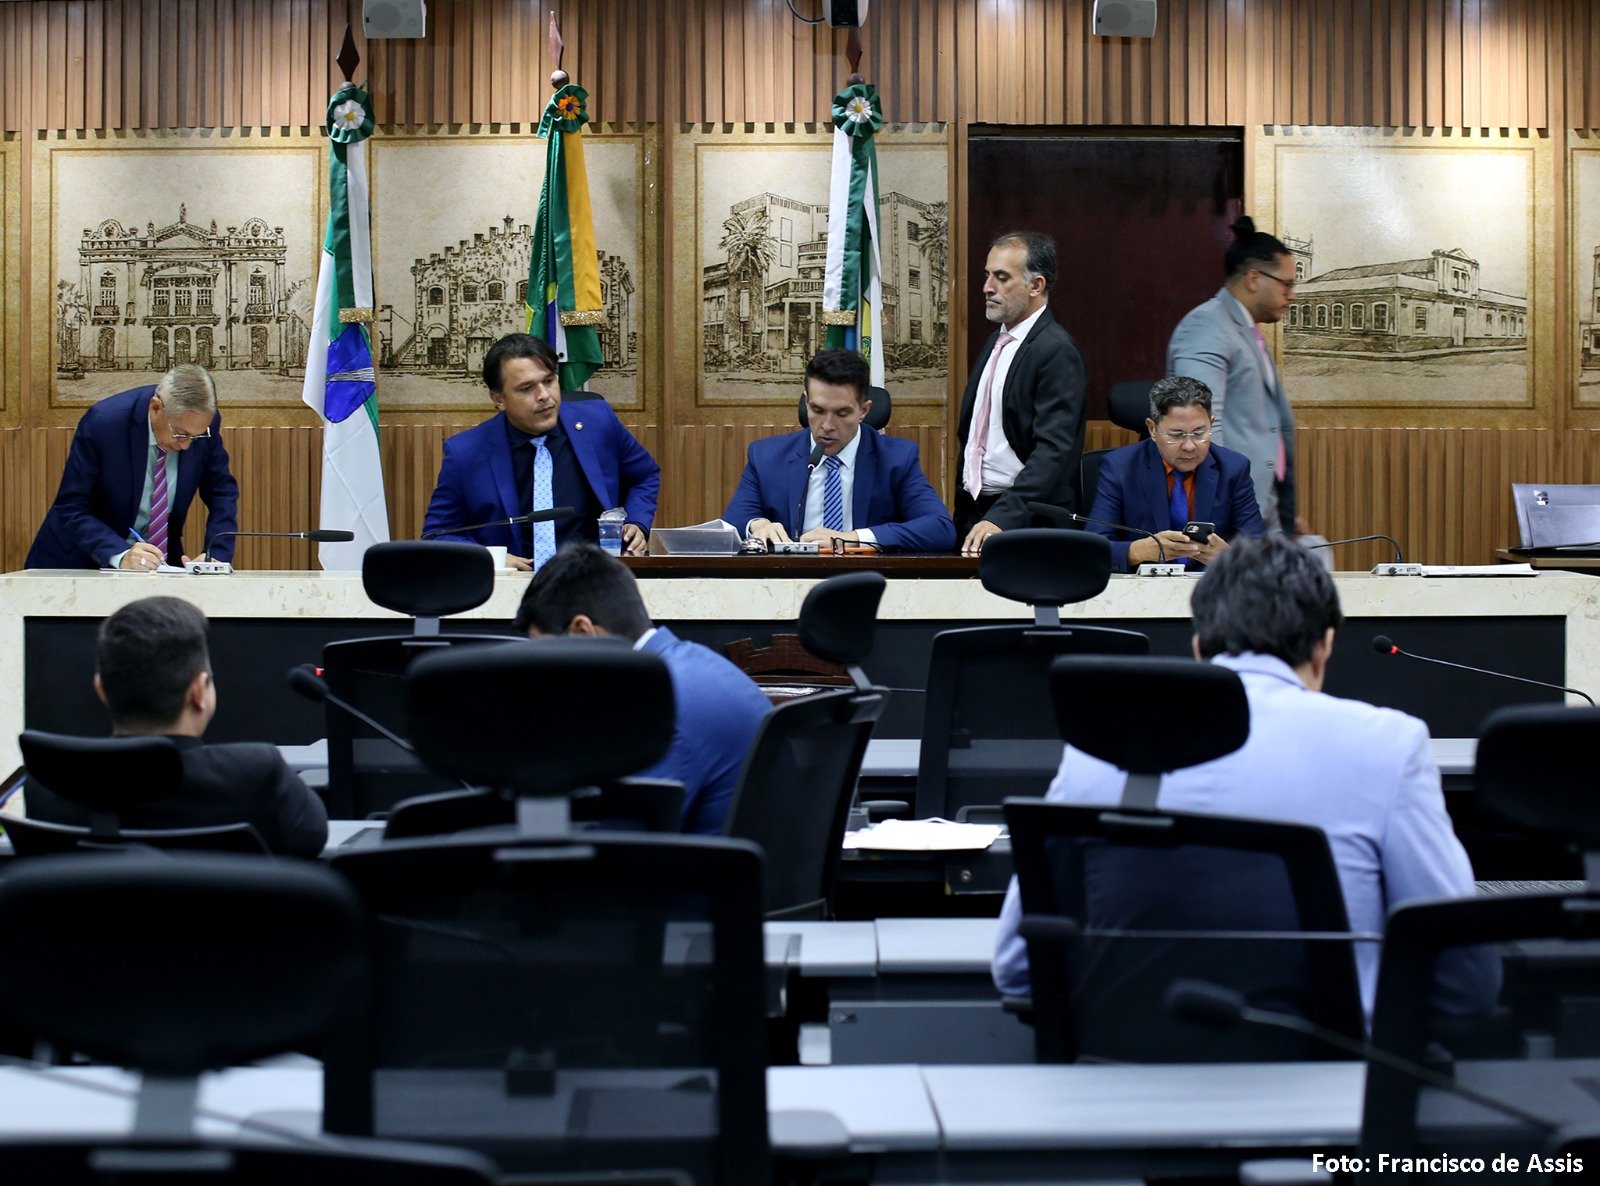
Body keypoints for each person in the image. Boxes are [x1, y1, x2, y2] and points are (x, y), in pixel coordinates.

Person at [991, 535, 1499, 1021]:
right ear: (1325, 646)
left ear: (1198, 647)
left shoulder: (1099, 749)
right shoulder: (1390, 746)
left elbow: (1017, 968)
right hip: (1331, 1073)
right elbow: (1466, 978)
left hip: (1116, 1071)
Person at [21, 596, 328, 857]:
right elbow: (312, 839)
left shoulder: (47, 785)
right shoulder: (257, 774)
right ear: (198, 693)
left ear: (101, 689)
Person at [513, 544, 771, 835]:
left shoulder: (659, 709)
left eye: (547, 657)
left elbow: (620, 843)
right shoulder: (689, 665)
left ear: (583, 632)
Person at [422, 333, 660, 570]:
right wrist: (492, 557)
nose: (544, 396)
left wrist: (637, 522)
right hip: (514, 584)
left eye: (548, 381)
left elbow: (645, 475)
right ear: (499, 399)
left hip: (592, 576)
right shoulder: (466, 453)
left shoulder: (598, 422)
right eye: (526, 388)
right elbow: (436, 535)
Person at [724, 348, 955, 552]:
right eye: (817, 410)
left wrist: (852, 539)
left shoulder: (896, 459)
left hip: (866, 579)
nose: (827, 425)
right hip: (788, 580)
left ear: (864, 410)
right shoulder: (766, 457)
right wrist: (758, 525)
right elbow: (733, 521)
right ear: (806, 402)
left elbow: (940, 529)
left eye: (842, 413)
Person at [26, 365, 240, 571]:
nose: (186, 445)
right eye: (180, 434)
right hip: (79, 563)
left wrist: (216, 555)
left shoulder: (201, 425)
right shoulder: (104, 423)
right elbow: (71, 506)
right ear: (156, 408)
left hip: (158, 567)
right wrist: (120, 554)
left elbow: (222, 491)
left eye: (197, 436)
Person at [955, 230, 1087, 556]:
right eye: (987, 275)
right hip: (977, 512)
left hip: (1028, 520)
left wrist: (1002, 516)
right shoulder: (997, 340)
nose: (987, 287)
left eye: (1001, 278)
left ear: (1035, 286)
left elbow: (1052, 451)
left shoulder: (1056, 350)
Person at [1168, 216, 1300, 534]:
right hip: (1229, 515)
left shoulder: (1245, 329)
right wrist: (1227, 513)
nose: (1292, 295)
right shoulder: (1207, 326)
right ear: (1254, 278)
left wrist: (1280, 512)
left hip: (1259, 507)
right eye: (1286, 284)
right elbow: (1199, 426)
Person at [1086, 375, 1265, 571]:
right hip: (1144, 586)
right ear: (1152, 429)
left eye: (1199, 433)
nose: (1189, 446)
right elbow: (1092, 549)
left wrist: (1230, 558)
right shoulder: (1120, 467)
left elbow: (1261, 550)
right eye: (1176, 435)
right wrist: (1137, 551)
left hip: (1210, 584)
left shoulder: (1233, 468)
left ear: (1211, 424)